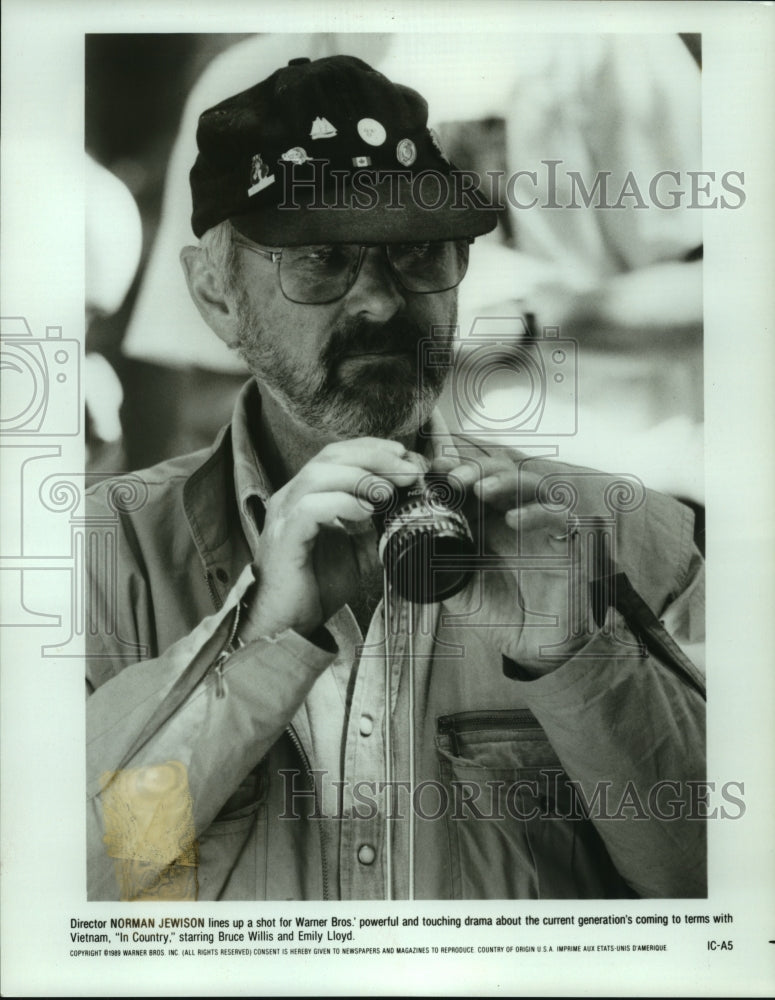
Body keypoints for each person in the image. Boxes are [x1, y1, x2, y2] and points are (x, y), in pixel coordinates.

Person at [85, 55, 705, 902]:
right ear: (214, 294)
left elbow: (718, 895)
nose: (379, 302)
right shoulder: (97, 558)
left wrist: (577, 660)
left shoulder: (634, 538)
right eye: (320, 259)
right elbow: (71, 884)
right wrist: (260, 647)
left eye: (416, 254)